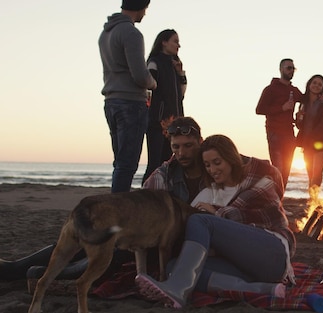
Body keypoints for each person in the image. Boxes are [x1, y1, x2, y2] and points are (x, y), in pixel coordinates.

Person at [0, 117, 206, 282]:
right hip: (155, 237)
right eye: (176, 147)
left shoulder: (214, 169)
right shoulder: (164, 174)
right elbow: (142, 203)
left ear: (200, 143)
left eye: (188, 146)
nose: (181, 153)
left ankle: (42, 274)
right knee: (91, 236)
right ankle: (13, 268)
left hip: (188, 242)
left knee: (116, 254)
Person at [136, 134, 296, 308]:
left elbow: (268, 212)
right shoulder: (207, 194)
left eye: (217, 162)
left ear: (231, 159)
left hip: (272, 254)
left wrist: (217, 212)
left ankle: (178, 290)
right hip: (243, 267)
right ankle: (263, 289)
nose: (212, 169)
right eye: (207, 165)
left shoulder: (258, 182)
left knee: (200, 221)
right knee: (174, 267)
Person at [99, 0, 157, 193]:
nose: (145, 14)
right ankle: (119, 209)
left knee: (120, 162)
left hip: (111, 101)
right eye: (146, 9)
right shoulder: (131, 33)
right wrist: (154, 83)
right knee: (128, 163)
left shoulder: (105, 33)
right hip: (131, 102)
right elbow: (140, 76)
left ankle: (116, 206)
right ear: (140, 7)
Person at [142, 29, 188, 183]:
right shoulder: (155, 62)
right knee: (155, 162)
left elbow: (181, 95)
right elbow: (148, 88)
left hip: (175, 122)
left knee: (171, 162)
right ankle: (146, 193)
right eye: (175, 41)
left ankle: (164, 194)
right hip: (158, 121)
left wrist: (180, 73)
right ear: (164, 42)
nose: (178, 45)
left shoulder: (174, 64)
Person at [256, 59, 304, 189]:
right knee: (278, 169)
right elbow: (259, 110)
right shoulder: (270, 89)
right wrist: (281, 108)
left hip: (289, 133)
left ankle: (278, 202)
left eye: (293, 68)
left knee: (286, 171)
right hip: (274, 132)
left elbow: (306, 99)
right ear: (281, 69)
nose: (291, 71)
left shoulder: (294, 90)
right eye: (289, 68)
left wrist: (300, 113)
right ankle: (274, 201)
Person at [295, 74, 323, 189]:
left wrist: (313, 137)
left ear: (322, 88)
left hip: (322, 143)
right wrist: (298, 119)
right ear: (309, 84)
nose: (316, 86)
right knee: (310, 174)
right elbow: (300, 126)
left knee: (316, 173)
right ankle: (313, 201)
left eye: (320, 84)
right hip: (307, 143)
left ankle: (314, 200)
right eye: (314, 83)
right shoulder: (304, 104)